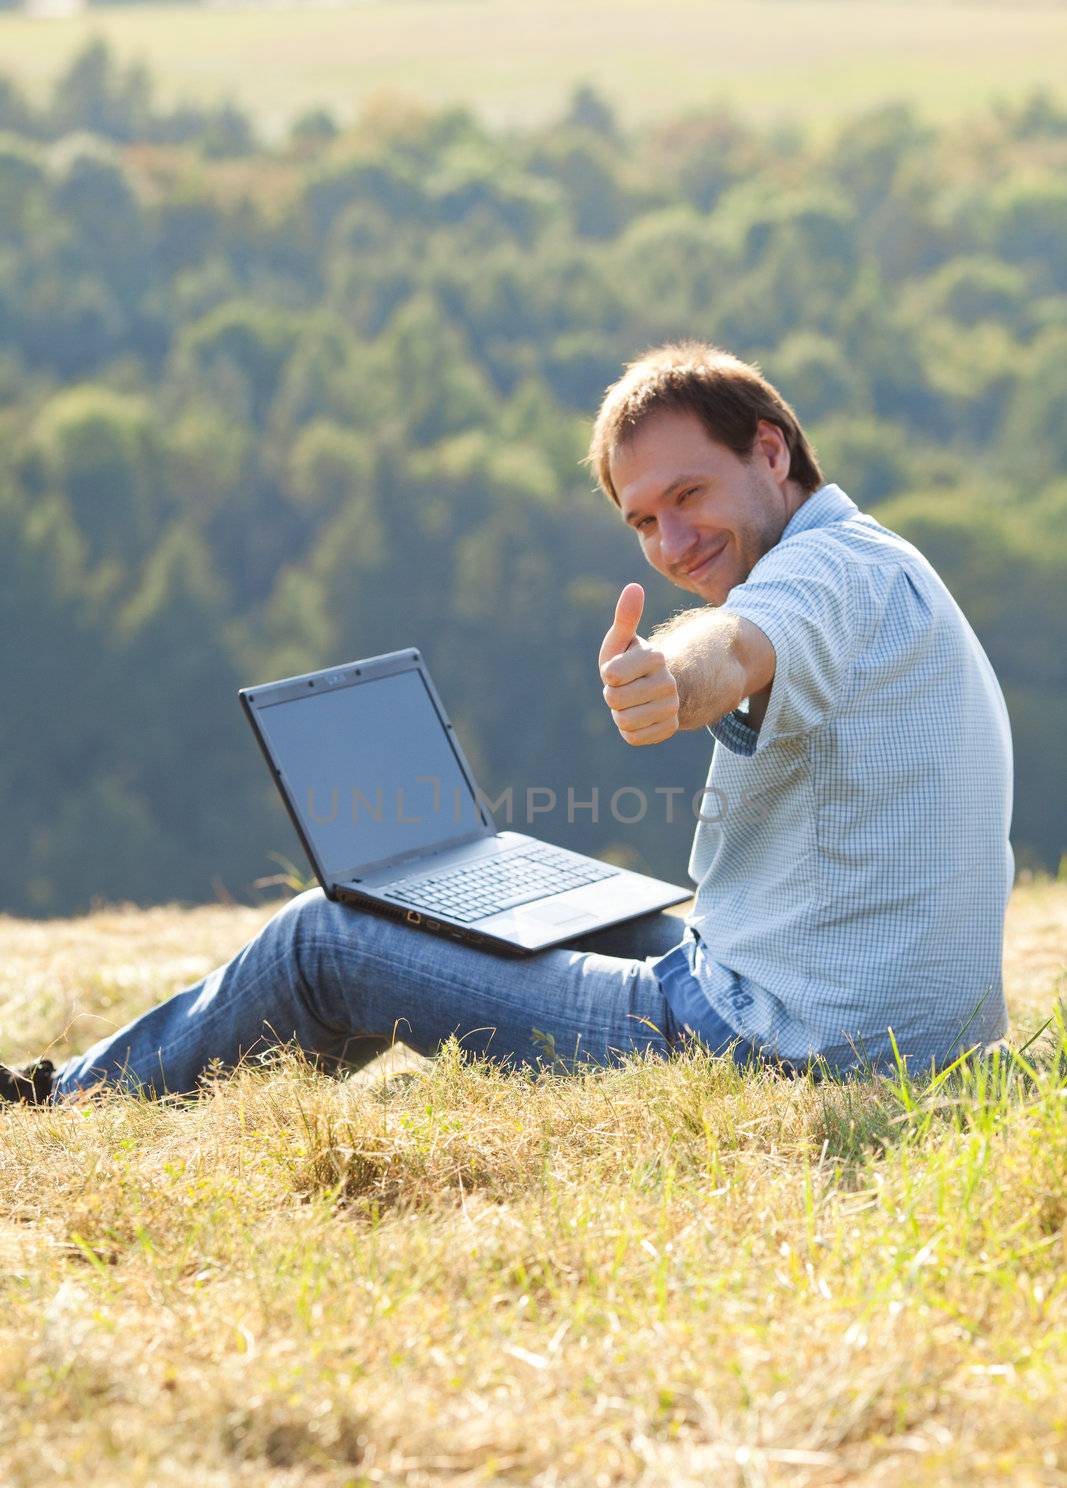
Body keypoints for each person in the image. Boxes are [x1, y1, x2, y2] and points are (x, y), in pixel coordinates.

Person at [2, 342, 1013, 1105]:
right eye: (641, 521)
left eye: (688, 494)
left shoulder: (819, 580)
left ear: (768, 449)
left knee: (326, 940)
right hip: (892, 1019)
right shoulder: (879, 560)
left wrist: (671, 676)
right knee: (552, 902)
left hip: (788, 1044)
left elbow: (741, 644)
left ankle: (64, 1103)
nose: (671, 541)